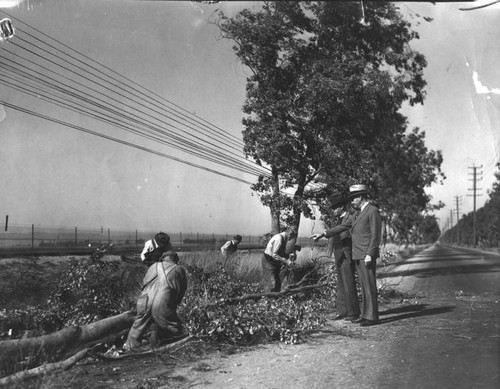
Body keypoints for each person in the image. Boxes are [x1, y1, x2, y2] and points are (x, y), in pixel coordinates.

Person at [312, 184, 382, 327]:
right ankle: (365, 314)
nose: (351, 202)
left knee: (369, 286)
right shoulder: (357, 214)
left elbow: (376, 235)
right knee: (363, 286)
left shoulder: (372, 211)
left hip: (366, 254)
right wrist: (324, 234)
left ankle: (372, 316)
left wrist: (370, 253)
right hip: (357, 254)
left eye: (353, 199)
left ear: (360, 197)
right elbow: (342, 227)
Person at [124, 251, 187, 351]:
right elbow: (181, 290)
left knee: (138, 325)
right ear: (176, 259)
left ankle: (129, 348)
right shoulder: (178, 269)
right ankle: (171, 347)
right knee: (172, 327)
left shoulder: (153, 266)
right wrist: (175, 303)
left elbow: (143, 285)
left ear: (162, 258)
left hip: (144, 301)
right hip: (162, 302)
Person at [323, 192, 360, 321]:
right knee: (340, 282)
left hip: (346, 252)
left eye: (335, 208)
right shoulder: (336, 220)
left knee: (348, 280)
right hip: (338, 252)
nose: (333, 210)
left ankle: (353, 312)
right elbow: (333, 236)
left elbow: (352, 235)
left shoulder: (350, 217)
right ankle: (342, 311)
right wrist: (329, 253)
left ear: (342, 207)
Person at [262, 226, 298, 292]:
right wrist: (286, 261)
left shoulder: (284, 238)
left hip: (274, 262)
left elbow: (281, 251)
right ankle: (267, 298)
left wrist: (290, 255)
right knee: (271, 282)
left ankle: (275, 298)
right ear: (289, 233)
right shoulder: (279, 238)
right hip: (268, 260)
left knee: (278, 282)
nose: (291, 238)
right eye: (292, 235)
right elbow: (274, 254)